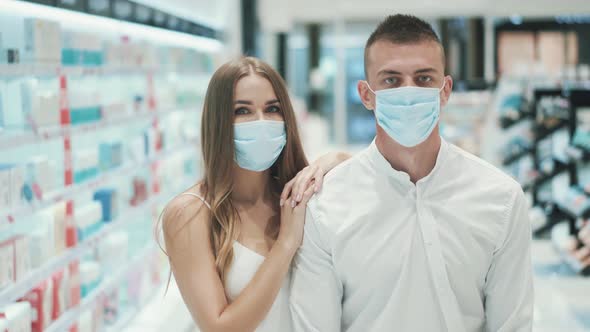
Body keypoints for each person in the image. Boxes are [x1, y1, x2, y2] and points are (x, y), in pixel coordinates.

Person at [290, 14, 534, 332]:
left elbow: (512, 325)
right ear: (366, 94)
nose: (408, 92)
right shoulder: (325, 205)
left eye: (423, 79)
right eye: (391, 80)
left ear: (445, 90)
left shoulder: (501, 199)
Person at [161, 57, 350, 332]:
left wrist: (328, 161)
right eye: (242, 111)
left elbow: (362, 171)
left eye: (272, 109)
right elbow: (219, 327)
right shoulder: (190, 214)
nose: (261, 122)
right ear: (218, 122)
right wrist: (286, 243)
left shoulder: (297, 193)